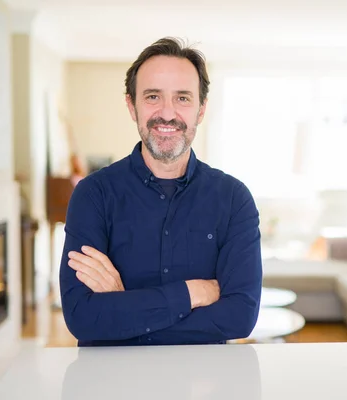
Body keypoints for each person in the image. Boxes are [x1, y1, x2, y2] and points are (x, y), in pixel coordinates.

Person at [59, 37, 263, 346]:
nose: (167, 114)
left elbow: (239, 317)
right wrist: (194, 293)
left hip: (204, 384)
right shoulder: (93, 195)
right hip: (109, 382)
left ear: (201, 110)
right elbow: (83, 318)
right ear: (132, 105)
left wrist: (125, 308)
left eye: (182, 98)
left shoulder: (234, 198)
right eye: (153, 96)